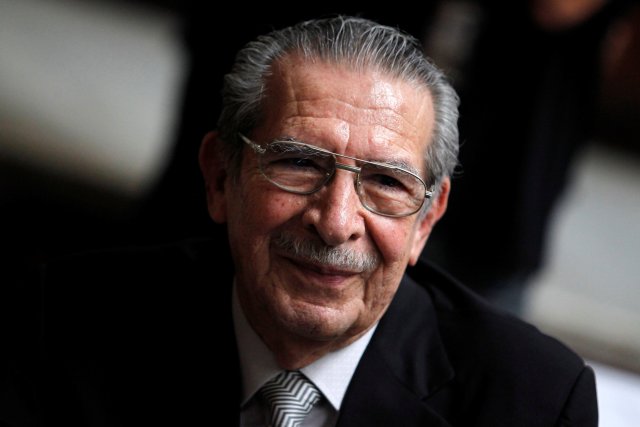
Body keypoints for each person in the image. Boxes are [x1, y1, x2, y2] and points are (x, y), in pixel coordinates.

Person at [5, 16, 597, 426]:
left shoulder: (534, 401)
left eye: (386, 183)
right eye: (297, 164)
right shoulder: (62, 317)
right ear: (219, 177)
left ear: (425, 221)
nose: (336, 222)